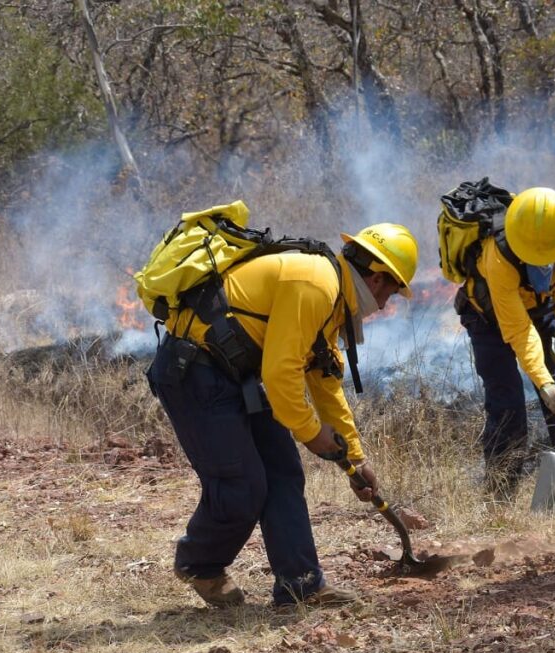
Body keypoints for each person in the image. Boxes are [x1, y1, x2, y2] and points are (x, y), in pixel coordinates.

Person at [146, 221, 419, 607]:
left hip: (233, 375)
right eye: (392, 292)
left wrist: (356, 460)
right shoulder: (317, 284)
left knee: (283, 472)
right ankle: (200, 564)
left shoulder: (331, 292)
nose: (388, 303)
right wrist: (312, 433)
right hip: (194, 375)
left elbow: (324, 379)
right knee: (243, 484)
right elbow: (280, 373)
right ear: (376, 279)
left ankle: (300, 585)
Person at [454, 187, 555, 497]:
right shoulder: (499, 255)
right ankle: (498, 495)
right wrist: (545, 386)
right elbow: (520, 331)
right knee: (508, 404)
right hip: (488, 318)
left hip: (539, 307)